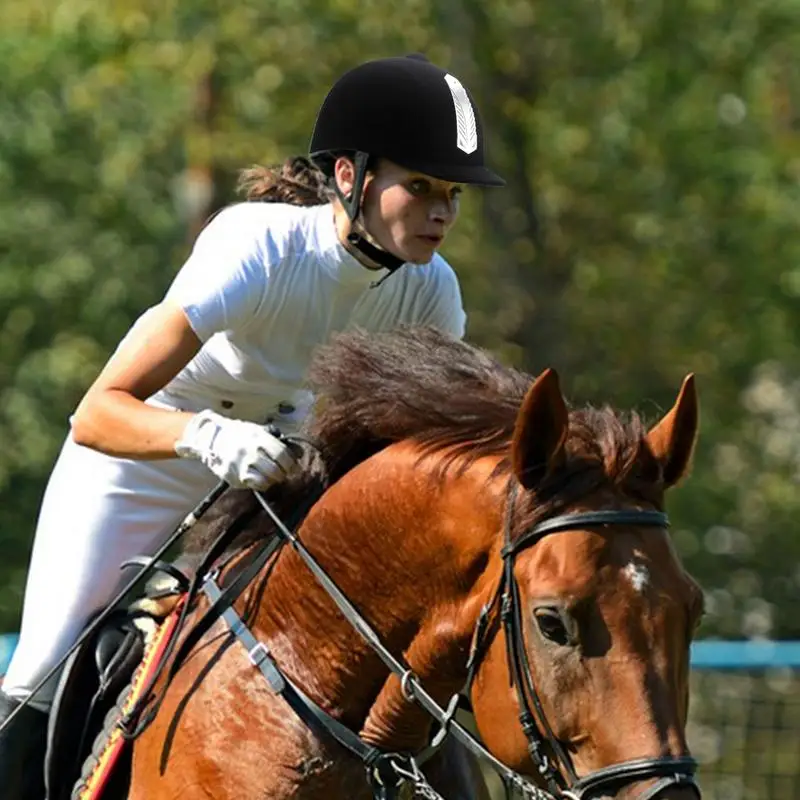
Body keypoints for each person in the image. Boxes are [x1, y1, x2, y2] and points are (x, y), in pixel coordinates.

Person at [0, 53, 504, 797]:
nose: (441, 212)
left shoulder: (433, 293)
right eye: (420, 186)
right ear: (349, 177)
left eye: (452, 194)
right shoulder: (260, 246)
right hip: (139, 465)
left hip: (273, 483)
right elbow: (97, 413)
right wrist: (206, 435)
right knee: (44, 668)